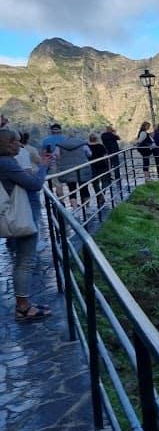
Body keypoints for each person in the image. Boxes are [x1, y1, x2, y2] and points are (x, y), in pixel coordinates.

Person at [0, 127, 52, 320]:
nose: (20, 145)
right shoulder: (6, 163)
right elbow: (35, 185)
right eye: (17, 142)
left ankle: (25, 303)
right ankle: (23, 307)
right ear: (8, 144)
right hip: (20, 218)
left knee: (21, 262)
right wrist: (44, 166)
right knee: (25, 263)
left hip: (10, 215)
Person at [55, 130, 92, 206]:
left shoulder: (60, 145)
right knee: (84, 188)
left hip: (68, 170)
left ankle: (75, 209)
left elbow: (57, 155)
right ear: (75, 135)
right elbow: (89, 154)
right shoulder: (82, 143)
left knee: (72, 189)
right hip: (82, 168)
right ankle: (87, 207)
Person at [88, 133, 109, 205]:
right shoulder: (101, 146)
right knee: (105, 181)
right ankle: (102, 193)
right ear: (96, 139)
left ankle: (100, 196)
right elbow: (105, 156)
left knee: (95, 183)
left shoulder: (87, 146)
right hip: (102, 165)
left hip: (92, 166)